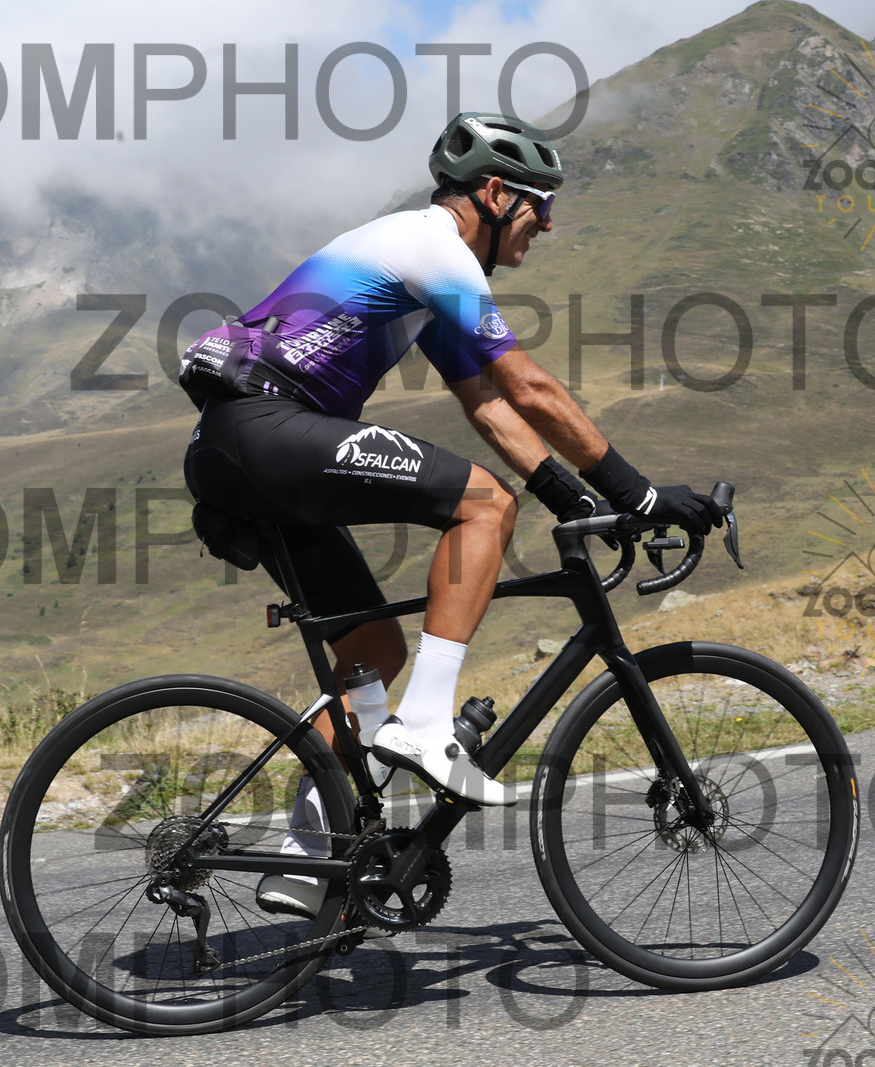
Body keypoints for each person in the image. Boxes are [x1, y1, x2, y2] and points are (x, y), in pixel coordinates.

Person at [178, 112, 723, 918]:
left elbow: (489, 405)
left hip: (234, 443)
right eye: (540, 204)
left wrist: (568, 494)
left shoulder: (420, 273)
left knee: (373, 646)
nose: (548, 224)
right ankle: (428, 723)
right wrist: (637, 493)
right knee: (481, 502)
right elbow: (528, 385)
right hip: (267, 428)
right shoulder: (435, 246)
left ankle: (305, 855)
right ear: (495, 193)